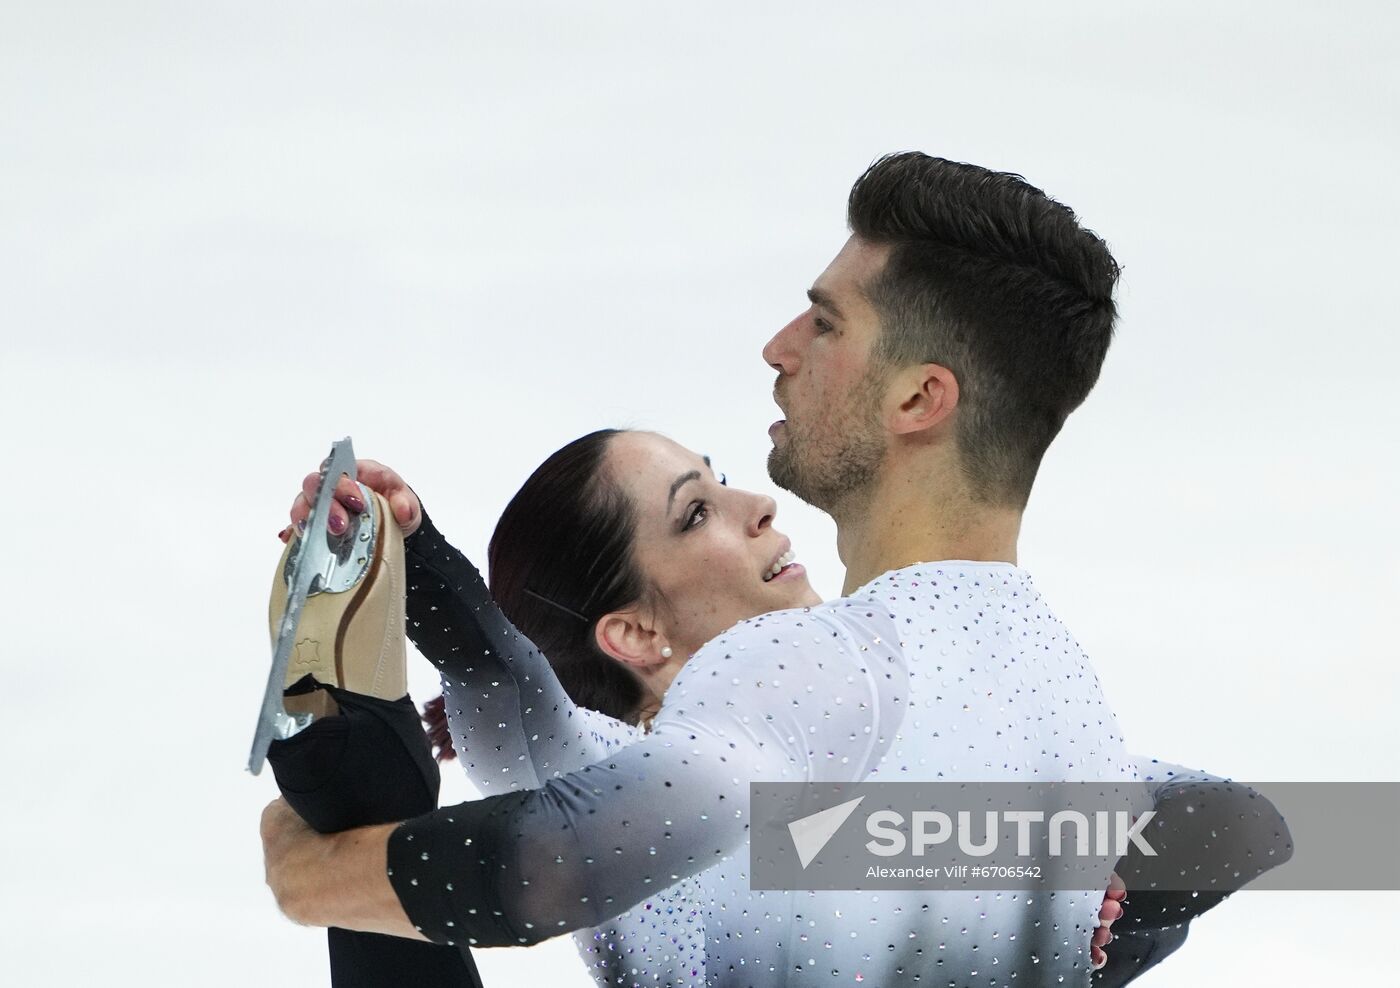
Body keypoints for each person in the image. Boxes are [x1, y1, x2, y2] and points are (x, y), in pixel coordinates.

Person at [261, 153, 1290, 986]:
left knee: (357, 799)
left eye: (826, 322)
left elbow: (539, 863)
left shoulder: (812, 676)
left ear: (918, 399)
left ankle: (346, 765)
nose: (778, 346)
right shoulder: (1060, 697)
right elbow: (1262, 825)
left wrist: (313, 867)